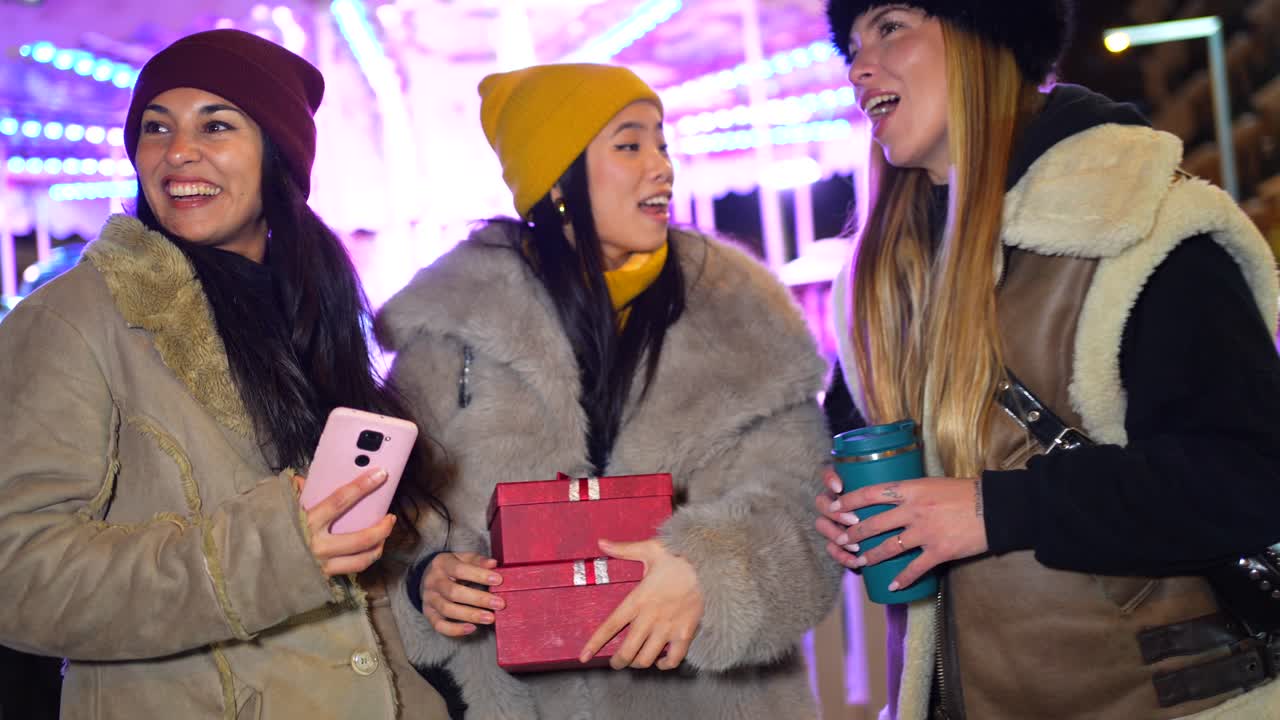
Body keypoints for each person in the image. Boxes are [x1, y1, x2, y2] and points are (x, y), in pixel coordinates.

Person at [814, 2, 1280, 719]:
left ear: (983, 31)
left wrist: (993, 510)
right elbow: (846, 458)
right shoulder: (877, 285)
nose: (858, 68)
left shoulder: (1141, 225)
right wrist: (840, 510)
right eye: (851, 47)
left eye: (891, 27)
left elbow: (1248, 475)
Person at [0, 29, 448, 719]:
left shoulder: (310, 306)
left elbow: (350, 581)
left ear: (278, 155)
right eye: (156, 127)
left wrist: (425, 586)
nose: (177, 151)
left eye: (216, 124)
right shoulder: (74, 319)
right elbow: (17, 575)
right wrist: (266, 553)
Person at [377, 63, 842, 719]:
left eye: (662, 144)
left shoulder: (741, 315)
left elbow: (803, 508)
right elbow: (396, 529)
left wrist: (709, 574)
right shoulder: (450, 335)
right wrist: (428, 581)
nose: (662, 167)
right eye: (630, 145)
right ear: (557, 181)